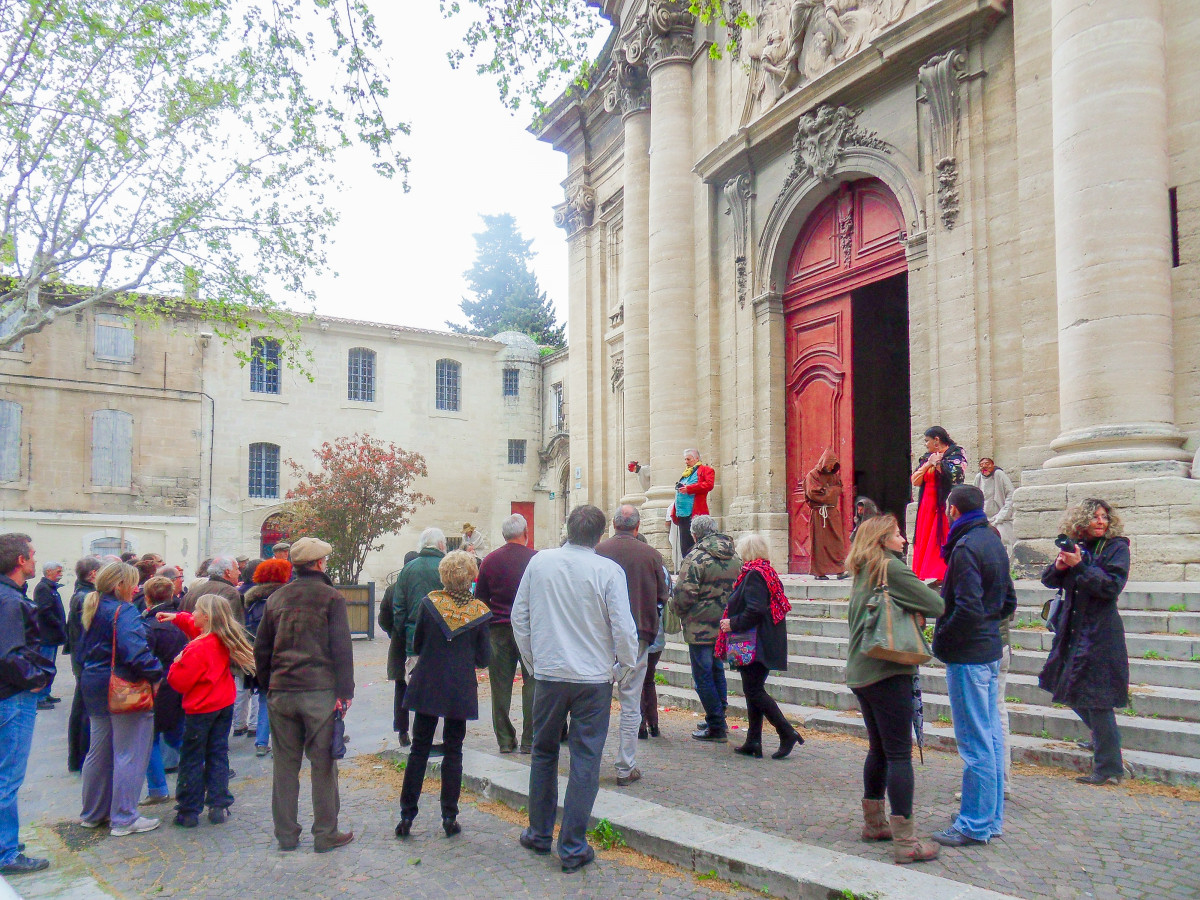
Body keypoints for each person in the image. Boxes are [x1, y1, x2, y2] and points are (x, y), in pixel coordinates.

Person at [512, 505, 639, 874]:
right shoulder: (608, 571)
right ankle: (572, 845)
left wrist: (534, 660)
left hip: (551, 673)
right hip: (592, 679)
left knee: (544, 752)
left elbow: (521, 617)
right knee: (585, 758)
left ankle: (539, 833)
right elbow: (623, 627)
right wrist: (622, 666)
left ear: (567, 528)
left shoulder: (540, 563)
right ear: (600, 536)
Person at [845, 516, 944, 864]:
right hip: (887, 669)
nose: (903, 539)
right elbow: (937, 605)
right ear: (882, 540)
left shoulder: (862, 569)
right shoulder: (892, 568)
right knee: (899, 754)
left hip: (861, 671)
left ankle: (874, 824)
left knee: (880, 749)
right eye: (898, 534)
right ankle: (907, 843)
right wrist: (918, 608)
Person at [254, 537, 355, 853]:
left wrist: (267, 683)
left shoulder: (277, 598)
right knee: (323, 764)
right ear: (320, 564)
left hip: (282, 690)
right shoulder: (331, 597)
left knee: (284, 765)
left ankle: (286, 834)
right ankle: (325, 834)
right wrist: (346, 691)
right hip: (318, 691)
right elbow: (341, 647)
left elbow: (262, 648)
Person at [930, 485, 1016, 848]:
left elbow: (966, 607)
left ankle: (974, 823)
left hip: (969, 654)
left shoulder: (965, 548)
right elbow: (1009, 599)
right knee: (991, 737)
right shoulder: (992, 540)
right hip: (990, 647)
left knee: (976, 742)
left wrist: (941, 639)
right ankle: (989, 817)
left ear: (951, 511)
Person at [395, 551, 492, 838]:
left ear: (444, 575)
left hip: (428, 681)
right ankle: (449, 815)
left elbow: (419, 641)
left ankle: (406, 815)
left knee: (419, 749)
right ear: (471, 576)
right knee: (454, 750)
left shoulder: (429, 603)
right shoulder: (479, 611)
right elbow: (484, 658)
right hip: (459, 686)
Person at [1039, 499, 1131, 786]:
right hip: (1073, 630)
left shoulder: (1117, 548)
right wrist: (1060, 565)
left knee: (1097, 697)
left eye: (1104, 517)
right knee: (1062, 683)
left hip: (1100, 633)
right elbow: (1048, 581)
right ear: (1082, 522)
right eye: (1094, 517)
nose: (1101, 522)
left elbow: (1110, 587)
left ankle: (1109, 766)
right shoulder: (1079, 545)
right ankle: (1106, 742)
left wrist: (1080, 566)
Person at [78, 560, 164, 836]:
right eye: (133, 582)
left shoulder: (92, 605)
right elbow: (135, 651)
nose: (137, 588)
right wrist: (156, 673)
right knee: (130, 752)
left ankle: (93, 813)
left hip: (93, 682)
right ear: (120, 586)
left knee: (99, 751)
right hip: (122, 685)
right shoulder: (123, 610)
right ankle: (124, 816)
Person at [158, 594, 255, 827]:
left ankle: (189, 810)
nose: (193, 614)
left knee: (192, 758)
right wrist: (178, 617)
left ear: (207, 616)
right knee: (217, 753)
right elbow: (194, 624)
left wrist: (177, 661)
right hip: (223, 703)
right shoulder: (224, 637)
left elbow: (179, 682)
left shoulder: (197, 647)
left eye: (197, 611)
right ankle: (218, 804)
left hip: (200, 708)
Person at [596, 504, 668, 786]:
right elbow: (662, 595)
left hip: (602, 635)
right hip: (638, 634)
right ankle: (625, 766)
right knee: (630, 702)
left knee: (597, 699)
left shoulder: (599, 551)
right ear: (637, 527)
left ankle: (589, 760)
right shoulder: (651, 554)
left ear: (614, 525)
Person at [718, 535, 803, 760]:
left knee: (754, 690)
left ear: (747, 552)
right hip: (761, 640)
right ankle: (753, 740)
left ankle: (786, 731)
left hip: (756, 642)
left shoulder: (755, 574)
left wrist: (732, 623)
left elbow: (755, 609)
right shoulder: (765, 571)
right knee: (752, 690)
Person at [0, 533, 54, 874]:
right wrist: (36, 682)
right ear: (21, 560)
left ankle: (6, 839)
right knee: (8, 776)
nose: (35, 559)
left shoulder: (11, 597)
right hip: (13, 697)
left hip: (11, 693)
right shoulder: (10, 601)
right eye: (32, 554)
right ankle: (6, 852)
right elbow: (9, 655)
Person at [671, 515, 741, 742]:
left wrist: (679, 611)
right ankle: (717, 716)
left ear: (695, 534)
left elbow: (683, 593)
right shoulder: (734, 556)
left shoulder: (696, 557)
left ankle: (717, 725)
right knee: (717, 670)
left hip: (700, 625)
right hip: (725, 624)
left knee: (703, 676)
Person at [476, 514, 537, 754]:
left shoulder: (490, 560)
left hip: (498, 628)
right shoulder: (536, 559)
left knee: (500, 686)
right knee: (532, 682)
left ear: (504, 535)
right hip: (530, 628)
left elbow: (480, 598)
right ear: (526, 532)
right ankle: (530, 739)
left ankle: (505, 739)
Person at [393, 529, 446, 747]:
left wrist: (404, 632)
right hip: (443, 638)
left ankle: (419, 737)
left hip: (413, 638)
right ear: (442, 545)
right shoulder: (446, 567)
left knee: (416, 686)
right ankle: (439, 736)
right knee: (441, 686)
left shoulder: (407, 570)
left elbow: (398, 608)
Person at [140, 577, 188, 807]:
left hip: (160, 685)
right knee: (177, 734)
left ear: (148, 598)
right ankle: (202, 773)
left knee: (151, 738)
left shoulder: (150, 625)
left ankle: (158, 788)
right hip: (182, 682)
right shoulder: (185, 619)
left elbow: (146, 659)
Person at [244, 558, 291, 758]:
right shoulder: (285, 598)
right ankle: (284, 743)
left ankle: (261, 742)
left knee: (265, 699)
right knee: (287, 703)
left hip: (259, 657)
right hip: (283, 656)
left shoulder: (252, 602)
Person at [910, 426, 966, 582]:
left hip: (944, 504)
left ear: (937, 440)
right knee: (925, 539)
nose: (925, 444)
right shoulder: (927, 457)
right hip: (926, 506)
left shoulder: (956, 454)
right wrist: (929, 463)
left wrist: (939, 464)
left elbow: (955, 477)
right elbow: (915, 480)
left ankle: (942, 573)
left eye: (927, 441)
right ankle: (925, 573)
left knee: (941, 537)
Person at [378, 551, 418, 749]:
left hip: (399, 644)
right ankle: (420, 728)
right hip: (417, 642)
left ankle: (402, 730)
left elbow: (383, 618)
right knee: (421, 686)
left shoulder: (392, 589)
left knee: (401, 687)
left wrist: (392, 632)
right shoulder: (420, 588)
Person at [804, 447, 847, 578]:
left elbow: (839, 490)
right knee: (819, 544)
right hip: (819, 514)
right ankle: (819, 572)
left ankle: (840, 570)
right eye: (829, 464)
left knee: (837, 541)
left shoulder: (834, 476)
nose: (831, 467)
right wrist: (831, 492)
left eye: (833, 465)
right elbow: (813, 493)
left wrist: (827, 491)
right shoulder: (812, 475)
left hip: (832, 512)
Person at [32, 560, 67, 709]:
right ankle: (40, 698)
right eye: (58, 572)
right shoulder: (43, 588)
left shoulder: (51, 588)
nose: (60, 575)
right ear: (49, 572)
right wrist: (58, 624)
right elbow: (44, 610)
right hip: (46, 636)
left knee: (50, 665)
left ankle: (46, 693)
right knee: (45, 666)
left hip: (52, 635)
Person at [669, 449, 715, 559]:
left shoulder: (706, 470)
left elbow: (709, 485)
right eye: (685, 459)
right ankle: (686, 564)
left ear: (696, 459)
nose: (686, 462)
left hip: (695, 512)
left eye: (688, 459)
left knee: (697, 541)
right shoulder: (686, 474)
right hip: (682, 513)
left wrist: (689, 488)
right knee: (684, 543)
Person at [973, 458, 1015, 551]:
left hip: (1000, 518)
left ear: (993, 465)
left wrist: (1002, 515)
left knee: (1003, 541)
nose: (984, 466)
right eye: (981, 465)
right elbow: (974, 497)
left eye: (987, 464)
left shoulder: (999, 474)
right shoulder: (978, 477)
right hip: (984, 520)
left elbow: (1010, 493)